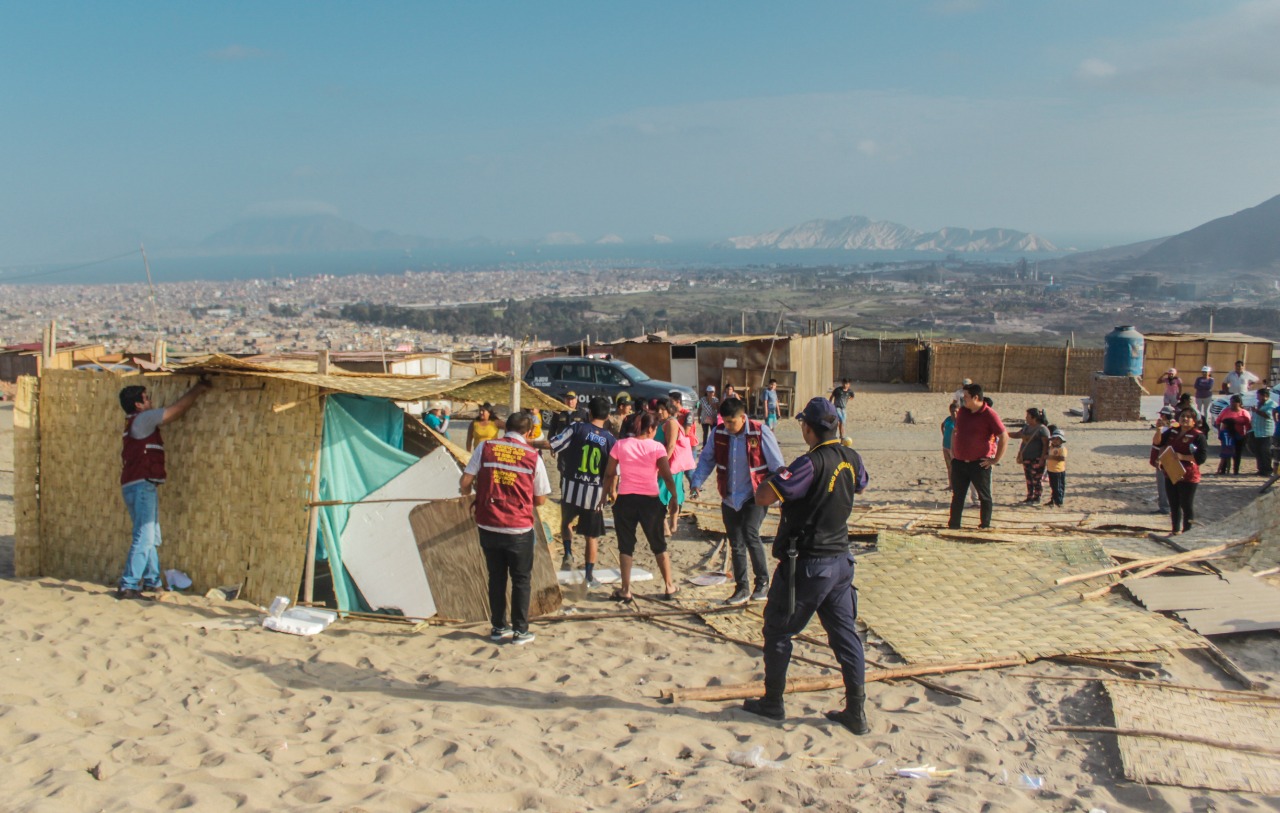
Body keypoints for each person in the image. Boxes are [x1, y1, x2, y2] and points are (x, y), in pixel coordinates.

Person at [742, 397, 870, 734]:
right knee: (845, 634)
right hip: (840, 560)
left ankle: (773, 701)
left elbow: (765, 497)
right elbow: (861, 483)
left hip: (810, 562)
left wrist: (773, 477)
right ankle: (856, 711)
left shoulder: (810, 463)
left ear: (808, 428)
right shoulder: (851, 457)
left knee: (778, 628)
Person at [458, 412, 551, 646]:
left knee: (496, 577)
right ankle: (520, 630)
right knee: (521, 579)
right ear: (529, 432)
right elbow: (540, 499)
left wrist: (467, 494)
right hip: (518, 527)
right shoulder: (533, 456)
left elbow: (465, 481)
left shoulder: (486, 447)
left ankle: (498, 627)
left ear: (504, 428)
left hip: (488, 523)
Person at [116, 379, 212, 599]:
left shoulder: (132, 423)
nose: (150, 401)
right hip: (142, 485)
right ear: (138, 405)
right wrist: (198, 389)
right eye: (146, 398)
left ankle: (152, 581)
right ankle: (128, 584)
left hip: (133, 485)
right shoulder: (143, 419)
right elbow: (175, 411)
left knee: (150, 535)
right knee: (145, 536)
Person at [688, 397, 786, 605]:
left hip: (755, 495)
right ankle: (742, 588)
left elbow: (777, 465)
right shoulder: (719, 433)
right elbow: (707, 460)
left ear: (743, 417)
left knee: (751, 534)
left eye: (732, 422)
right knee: (736, 542)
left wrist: (781, 493)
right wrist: (696, 482)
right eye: (725, 421)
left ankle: (762, 583)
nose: (729, 426)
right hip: (730, 496)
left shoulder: (760, 432)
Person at [603, 413, 680, 602]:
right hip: (650, 501)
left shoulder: (621, 445)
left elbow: (609, 473)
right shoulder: (657, 447)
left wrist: (603, 496)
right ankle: (669, 586)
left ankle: (626, 589)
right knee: (659, 544)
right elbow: (667, 475)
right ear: (651, 429)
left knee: (626, 546)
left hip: (626, 500)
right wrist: (674, 497)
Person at [549, 396, 616, 582]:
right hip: (594, 495)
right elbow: (613, 471)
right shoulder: (610, 440)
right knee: (591, 537)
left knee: (566, 522)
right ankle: (588, 576)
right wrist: (612, 491)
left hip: (571, 488)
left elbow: (555, 444)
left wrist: (529, 443)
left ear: (589, 413)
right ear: (608, 416)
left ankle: (568, 553)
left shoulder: (577, 428)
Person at [947, 383, 1008, 530]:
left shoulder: (989, 414)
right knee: (958, 496)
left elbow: (1004, 436)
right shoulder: (962, 412)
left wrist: (995, 459)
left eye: (966, 397)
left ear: (976, 397)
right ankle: (954, 524)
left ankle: (984, 525)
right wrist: (952, 451)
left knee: (984, 496)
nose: (964, 400)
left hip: (979, 463)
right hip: (960, 461)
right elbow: (956, 431)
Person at [1152, 406, 1207, 536]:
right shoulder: (1173, 431)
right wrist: (1159, 430)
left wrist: (1183, 457)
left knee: (1186, 505)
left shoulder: (1198, 436)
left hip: (1188, 475)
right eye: (1183, 416)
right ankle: (1175, 529)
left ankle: (1187, 531)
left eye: (1189, 417)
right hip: (1171, 472)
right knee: (1173, 503)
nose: (1185, 419)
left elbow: (1201, 458)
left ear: (1194, 421)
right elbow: (1158, 443)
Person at [655, 397, 696, 535]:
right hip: (670, 466)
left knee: (662, 496)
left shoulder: (671, 423)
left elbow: (671, 445)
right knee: (671, 495)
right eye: (658, 409)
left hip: (669, 466)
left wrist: (662, 466)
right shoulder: (664, 422)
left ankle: (669, 527)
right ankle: (671, 526)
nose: (660, 412)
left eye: (663, 409)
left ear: (669, 410)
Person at [1015, 408, 1050, 505]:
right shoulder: (1026, 427)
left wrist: (1042, 458)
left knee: (1036, 478)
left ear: (1034, 417)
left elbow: (1045, 445)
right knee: (1029, 478)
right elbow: (1017, 435)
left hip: (1037, 458)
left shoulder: (1042, 429)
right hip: (1026, 457)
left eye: (1028, 416)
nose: (1026, 418)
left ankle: (1037, 497)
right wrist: (1003, 433)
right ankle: (1029, 496)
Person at [1214, 395, 1251, 475]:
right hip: (1227, 435)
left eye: (1234, 402)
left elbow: (1248, 425)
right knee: (1225, 453)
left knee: (1237, 454)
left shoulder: (1244, 413)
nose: (1232, 404)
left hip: (1239, 435)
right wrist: (1220, 431)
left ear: (1239, 403)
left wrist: (1246, 436)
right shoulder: (1226, 411)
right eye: (1231, 402)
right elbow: (1218, 421)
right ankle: (1223, 470)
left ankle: (1236, 471)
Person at [1249, 388, 1277, 477]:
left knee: (1265, 451)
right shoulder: (1259, 404)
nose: (1257, 397)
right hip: (1256, 431)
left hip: (1266, 432)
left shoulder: (1272, 404)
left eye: (1259, 395)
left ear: (1265, 395)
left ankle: (1267, 470)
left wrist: (1256, 410)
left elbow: (1268, 415)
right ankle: (1261, 469)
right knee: (1258, 452)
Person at [1045, 427, 1067, 507]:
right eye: (1054, 438)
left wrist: (1050, 457)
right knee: (1053, 486)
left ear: (1061, 441)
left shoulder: (1062, 449)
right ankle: (1053, 500)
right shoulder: (1051, 447)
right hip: (1051, 470)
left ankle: (1059, 501)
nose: (1055, 441)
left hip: (1058, 471)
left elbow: (1062, 458)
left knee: (1058, 486)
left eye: (1057, 439)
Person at [940, 401, 958, 490]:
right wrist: (944, 434)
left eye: (955, 411)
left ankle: (956, 485)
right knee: (949, 467)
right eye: (952, 411)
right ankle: (951, 484)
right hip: (945, 446)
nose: (954, 413)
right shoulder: (948, 419)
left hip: (954, 447)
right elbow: (942, 425)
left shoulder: (960, 422)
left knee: (955, 467)